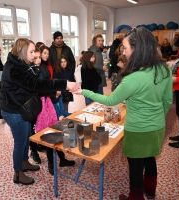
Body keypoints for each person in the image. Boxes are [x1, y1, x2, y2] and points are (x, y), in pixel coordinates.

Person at [73, 28, 173, 199]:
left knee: (135, 166)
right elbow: (167, 100)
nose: (123, 52)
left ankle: (135, 197)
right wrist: (157, 119)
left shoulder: (133, 77)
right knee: (150, 159)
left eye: (125, 48)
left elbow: (111, 101)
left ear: (137, 48)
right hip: (157, 126)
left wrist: (85, 92)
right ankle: (150, 192)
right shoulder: (164, 69)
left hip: (137, 129)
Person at [0, 38, 78, 185]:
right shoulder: (14, 69)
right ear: (22, 51)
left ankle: (24, 162)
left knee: (26, 138)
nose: (34, 55)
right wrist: (65, 84)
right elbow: (36, 84)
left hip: (21, 108)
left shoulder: (20, 64)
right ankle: (18, 173)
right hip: (14, 111)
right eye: (31, 52)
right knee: (20, 142)